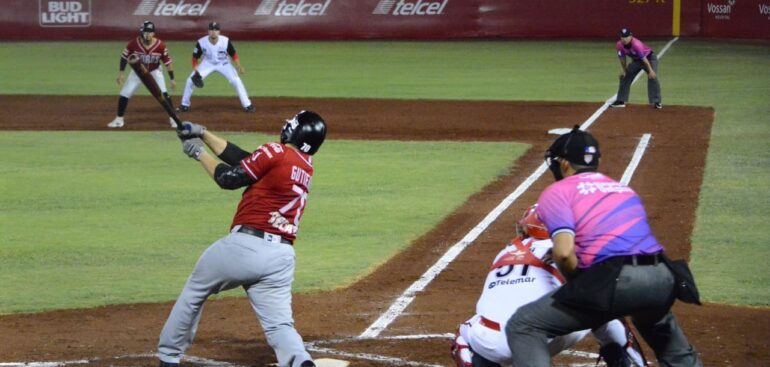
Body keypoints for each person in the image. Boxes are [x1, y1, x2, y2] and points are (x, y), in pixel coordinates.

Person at [505, 126, 703, 366]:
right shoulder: (622, 189)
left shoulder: (557, 191)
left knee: (524, 324)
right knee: (665, 335)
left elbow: (564, 253)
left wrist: (581, 286)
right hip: (662, 276)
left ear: (564, 164)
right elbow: (619, 240)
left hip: (618, 281)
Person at [157, 110, 327, 367]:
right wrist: (203, 133)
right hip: (280, 258)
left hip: (245, 248)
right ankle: (299, 361)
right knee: (279, 325)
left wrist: (197, 153)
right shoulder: (304, 166)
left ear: (296, 130)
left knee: (195, 291)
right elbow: (247, 160)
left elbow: (230, 178)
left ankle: (168, 357)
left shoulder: (275, 152)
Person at [451, 205, 645, 367]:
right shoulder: (565, 250)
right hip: (544, 340)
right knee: (603, 308)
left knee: (465, 332)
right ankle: (627, 360)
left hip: (493, 344)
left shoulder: (505, 252)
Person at [108, 21, 177, 128]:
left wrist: (172, 79)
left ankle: (173, 119)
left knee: (163, 94)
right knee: (124, 93)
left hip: (155, 71)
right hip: (138, 71)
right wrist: (121, 73)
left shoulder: (160, 45)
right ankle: (119, 119)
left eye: (150, 31)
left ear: (154, 33)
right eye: (145, 31)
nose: (148, 34)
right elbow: (124, 57)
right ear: (141, 32)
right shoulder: (134, 43)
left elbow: (167, 62)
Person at [176, 21, 255, 113]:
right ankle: (184, 105)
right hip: (207, 63)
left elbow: (233, 54)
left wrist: (239, 66)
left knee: (236, 80)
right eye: (211, 29)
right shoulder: (201, 42)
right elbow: (195, 58)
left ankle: (247, 105)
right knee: (190, 80)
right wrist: (196, 71)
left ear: (219, 32)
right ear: (208, 31)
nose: (213, 32)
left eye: (216, 30)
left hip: (224, 63)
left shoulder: (225, 41)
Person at [609, 28, 662, 109]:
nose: (624, 39)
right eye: (622, 37)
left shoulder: (636, 45)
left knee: (652, 77)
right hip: (636, 61)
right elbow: (622, 59)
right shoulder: (619, 45)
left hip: (649, 58)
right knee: (625, 76)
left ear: (631, 36)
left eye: (626, 37)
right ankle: (620, 101)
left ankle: (656, 102)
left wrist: (651, 71)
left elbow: (644, 60)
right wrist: (623, 70)